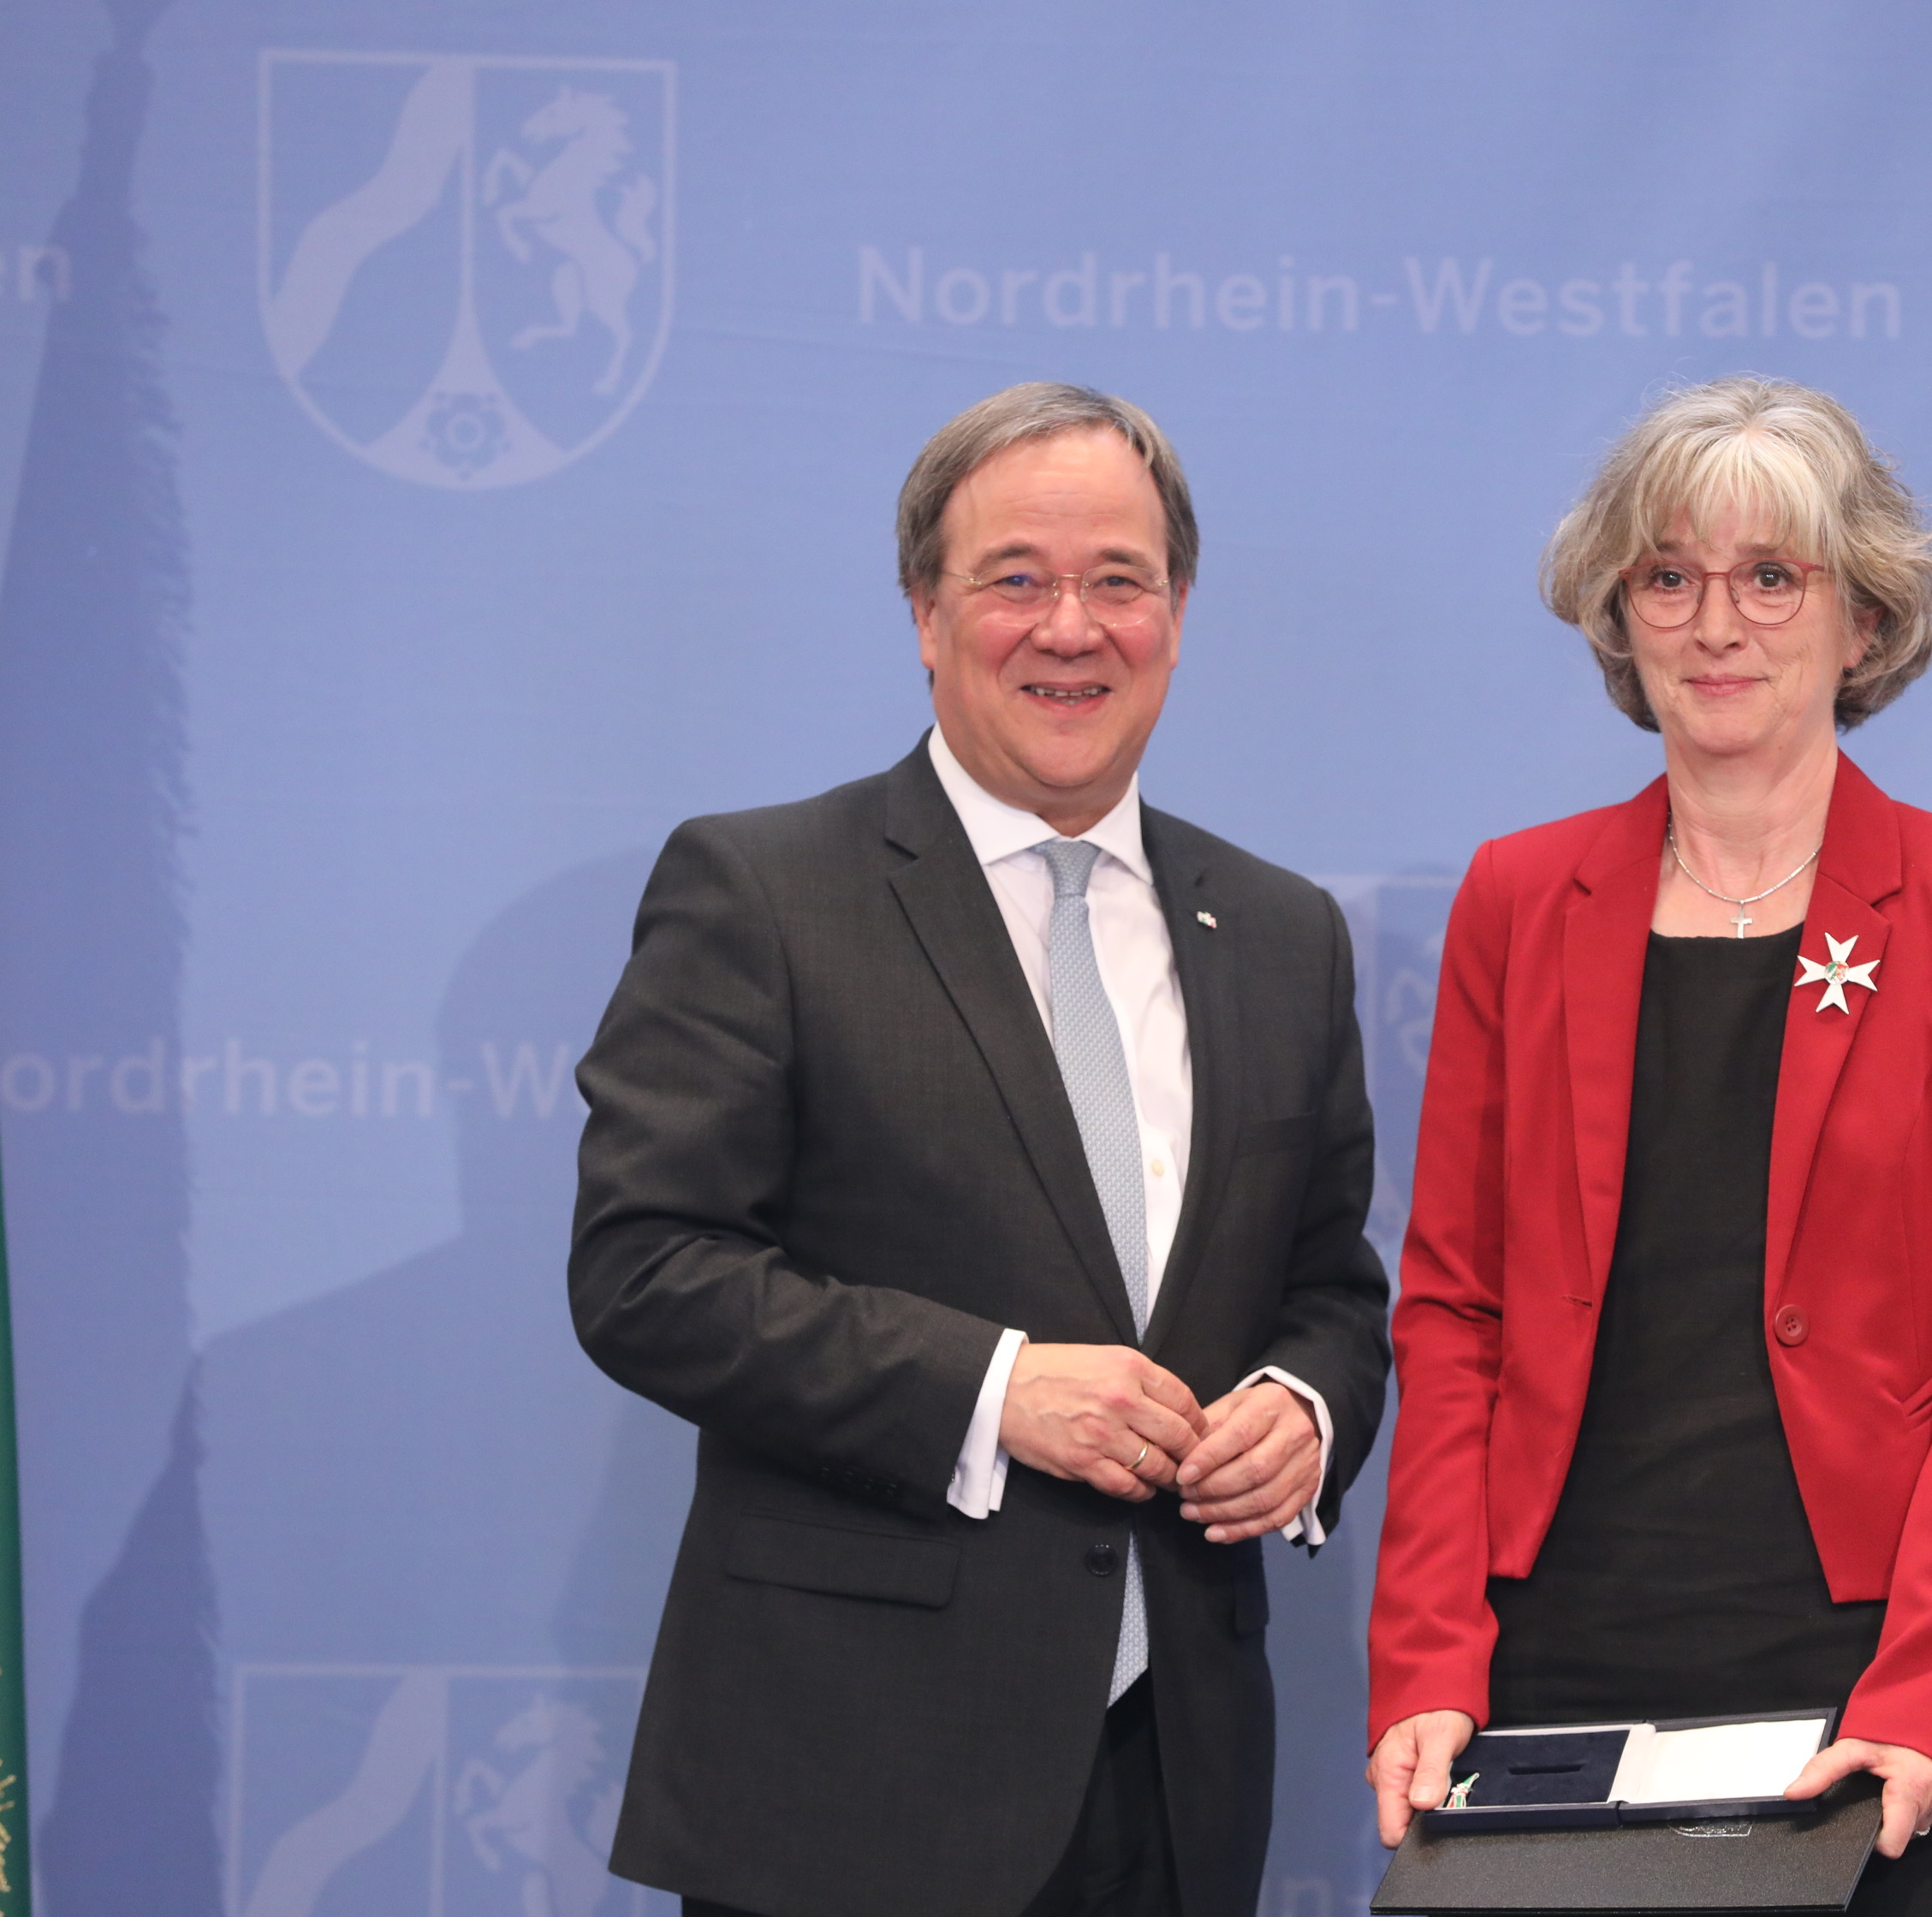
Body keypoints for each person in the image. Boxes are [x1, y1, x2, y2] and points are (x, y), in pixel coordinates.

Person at [573, 382, 1392, 1917]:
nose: (1070, 628)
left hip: (1179, 1783)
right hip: (851, 1784)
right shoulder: (762, 891)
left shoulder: (1284, 934)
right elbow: (647, 1273)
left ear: (1178, 613)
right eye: (1016, 577)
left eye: (1118, 581)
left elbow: (1330, 1289)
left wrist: (1303, 1409)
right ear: (925, 613)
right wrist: (996, 1389)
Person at [1363, 376, 1932, 1909]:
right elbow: (1453, 1314)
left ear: (1864, 621)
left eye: (1771, 577)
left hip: (1866, 1681)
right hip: (1547, 1667)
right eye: (1668, 578)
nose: (1715, 625)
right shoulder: (1517, 899)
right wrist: (1427, 1660)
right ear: (1618, 616)